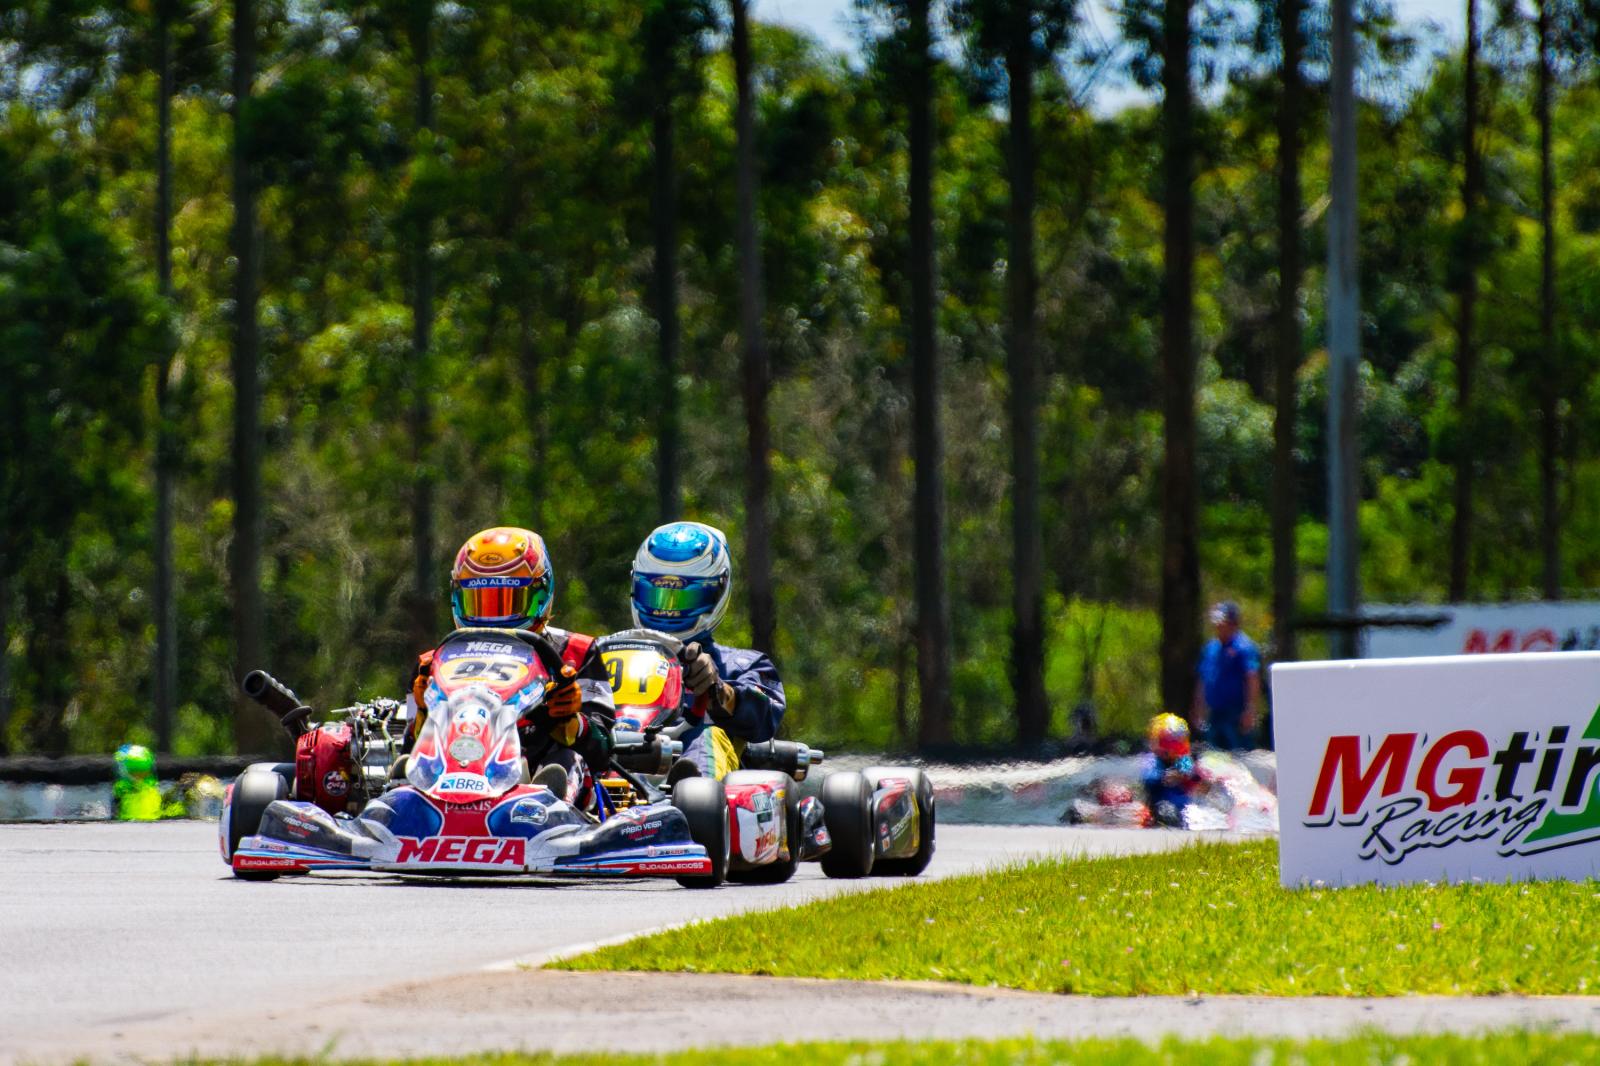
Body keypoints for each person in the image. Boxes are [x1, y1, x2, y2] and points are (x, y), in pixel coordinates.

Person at [408, 526, 614, 807]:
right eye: (481, 603)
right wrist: (423, 711)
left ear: (540, 594)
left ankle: (547, 805)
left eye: (507, 601)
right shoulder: (433, 664)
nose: (493, 617)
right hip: (456, 773)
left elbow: (604, 751)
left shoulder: (576, 654)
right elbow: (410, 745)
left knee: (568, 760)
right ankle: (409, 807)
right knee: (408, 764)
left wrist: (570, 721)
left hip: (542, 782)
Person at [629, 521, 785, 782]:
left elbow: (764, 720)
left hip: (702, 797)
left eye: (683, 599)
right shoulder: (606, 657)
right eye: (657, 596)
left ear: (717, 591)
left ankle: (694, 793)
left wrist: (718, 690)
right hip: (616, 774)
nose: (668, 610)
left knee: (707, 737)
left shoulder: (744, 665)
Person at [1192, 600, 1261, 751]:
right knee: (1213, 756)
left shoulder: (1244, 647)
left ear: (1232, 623)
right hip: (1215, 712)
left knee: (1239, 755)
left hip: (1236, 712)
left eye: (1222, 621)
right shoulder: (1211, 648)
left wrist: (1250, 710)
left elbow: (1252, 678)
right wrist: (1198, 707)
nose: (1218, 625)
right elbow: (1203, 679)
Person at [1141, 713, 1200, 827]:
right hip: (1160, 803)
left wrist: (1185, 775)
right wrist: (1165, 776)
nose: (1173, 748)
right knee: (1165, 811)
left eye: (1177, 741)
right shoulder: (1152, 760)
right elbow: (1149, 778)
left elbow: (1192, 772)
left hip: (1184, 805)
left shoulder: (1183, 759)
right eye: (1169, 741)